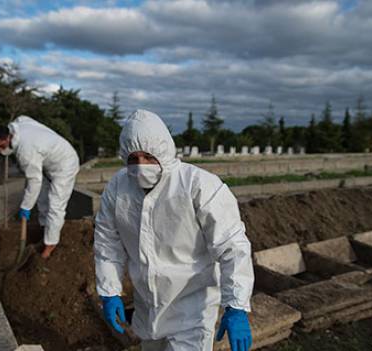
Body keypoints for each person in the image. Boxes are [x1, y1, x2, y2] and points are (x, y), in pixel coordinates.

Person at [94, 110, 254, 351]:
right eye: (132, 158)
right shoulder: (118, 186)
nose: (141, 166)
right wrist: (109, 290)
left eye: (148, 156)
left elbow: (232, 246)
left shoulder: (199, 186)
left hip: (191, 311)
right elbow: (107, 242)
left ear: (163, 152)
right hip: (147, 310)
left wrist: (237, 307)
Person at [0, 116, 80, 259]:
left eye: (1, 146)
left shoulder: (26, 152)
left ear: (7, 138)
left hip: (65, 163)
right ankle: (45, 232)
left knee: (56, 205)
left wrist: (25, 206)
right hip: (47, 162)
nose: (1, 149)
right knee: (42, 199)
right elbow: (23, 117)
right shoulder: (18, 125)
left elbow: (34, 182)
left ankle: (50, 245)